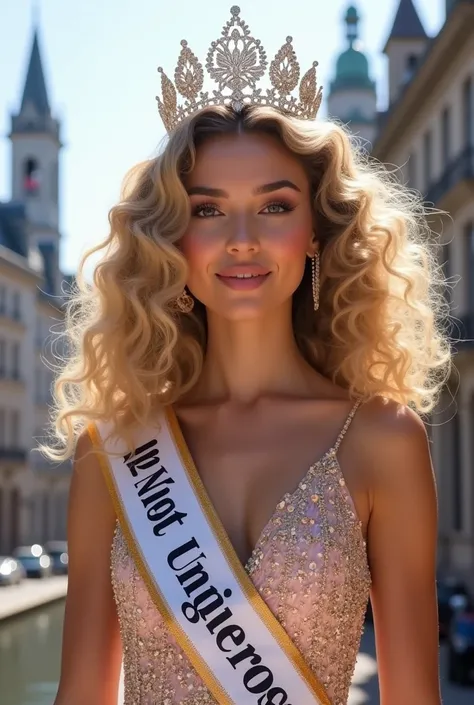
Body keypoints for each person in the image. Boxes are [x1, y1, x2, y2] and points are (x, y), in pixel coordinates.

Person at [50, 7, 450, 705]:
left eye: (273, 206)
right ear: (173, 239)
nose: (241, 238)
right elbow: (80, 693)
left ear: (317, 232)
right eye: (207, 210)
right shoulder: (111, 449)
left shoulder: (382, 439)